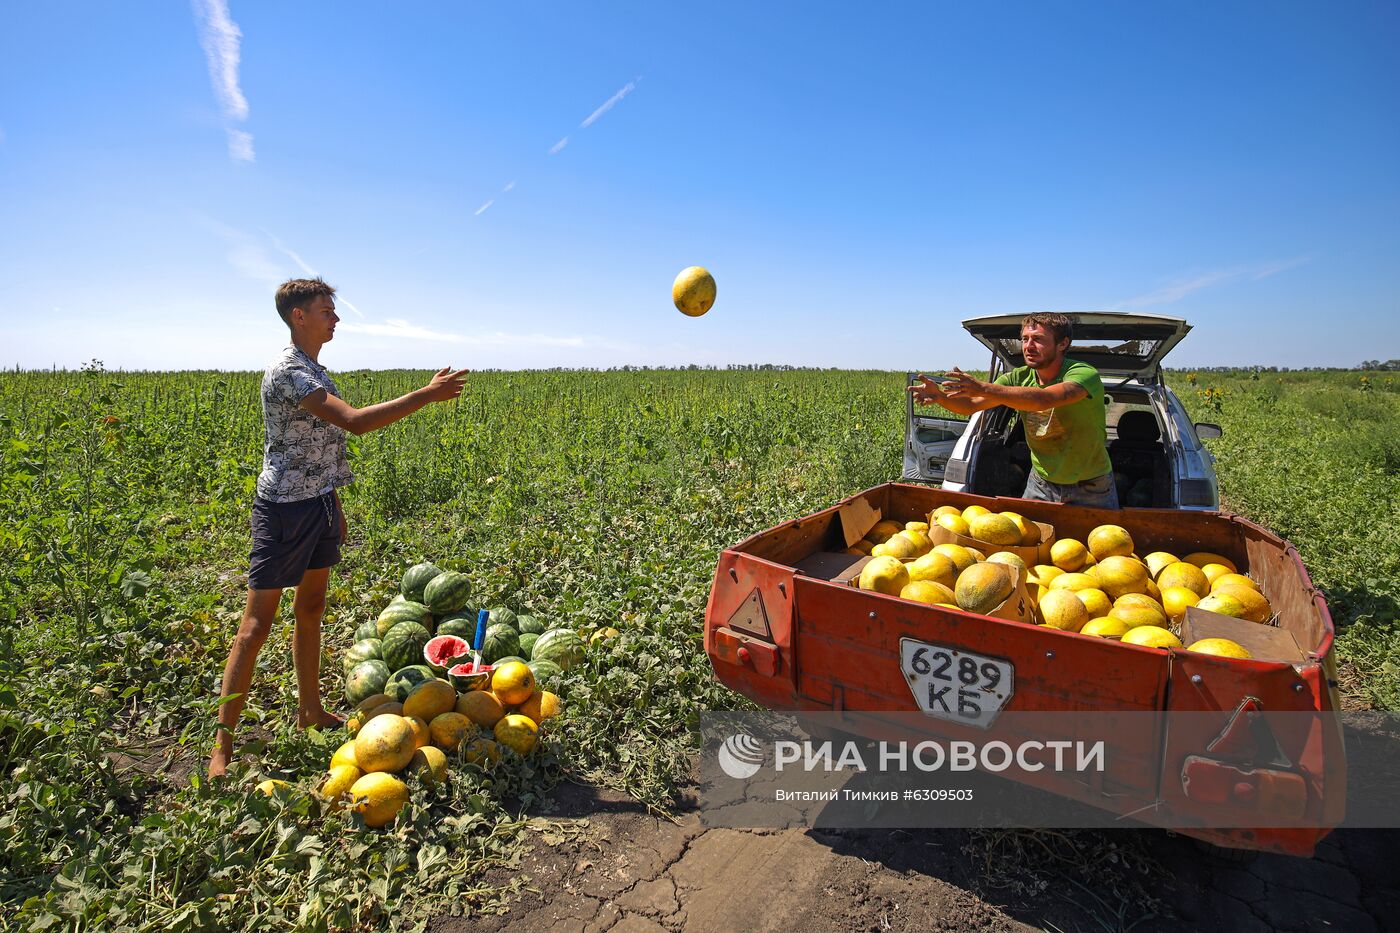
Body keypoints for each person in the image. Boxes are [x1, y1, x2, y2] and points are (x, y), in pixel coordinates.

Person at [209, 277, 468, 778]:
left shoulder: (314, 368)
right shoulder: (290, 372)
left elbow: (322, 447)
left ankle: (310, 710)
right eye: (326, 309)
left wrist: (334, 503)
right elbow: (353, 422)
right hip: (284, 509)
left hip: (318, 505)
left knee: (310, 608)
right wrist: (425, 395)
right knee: (254, 626)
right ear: (297, 316)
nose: (336, 317)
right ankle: (223, 748)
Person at [907, 311, 1118, 508]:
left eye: (1038, 339)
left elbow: (1044, 399)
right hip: (1042, 482)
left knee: (1101, 543)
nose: (1028, 346)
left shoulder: (1082, 373)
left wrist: (983, 387)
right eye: (1025, 339)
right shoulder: (1017, 377)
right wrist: (940, 397)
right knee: (1028, 540)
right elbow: (970, 406)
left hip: (1091, 485)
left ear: (1063, 344)